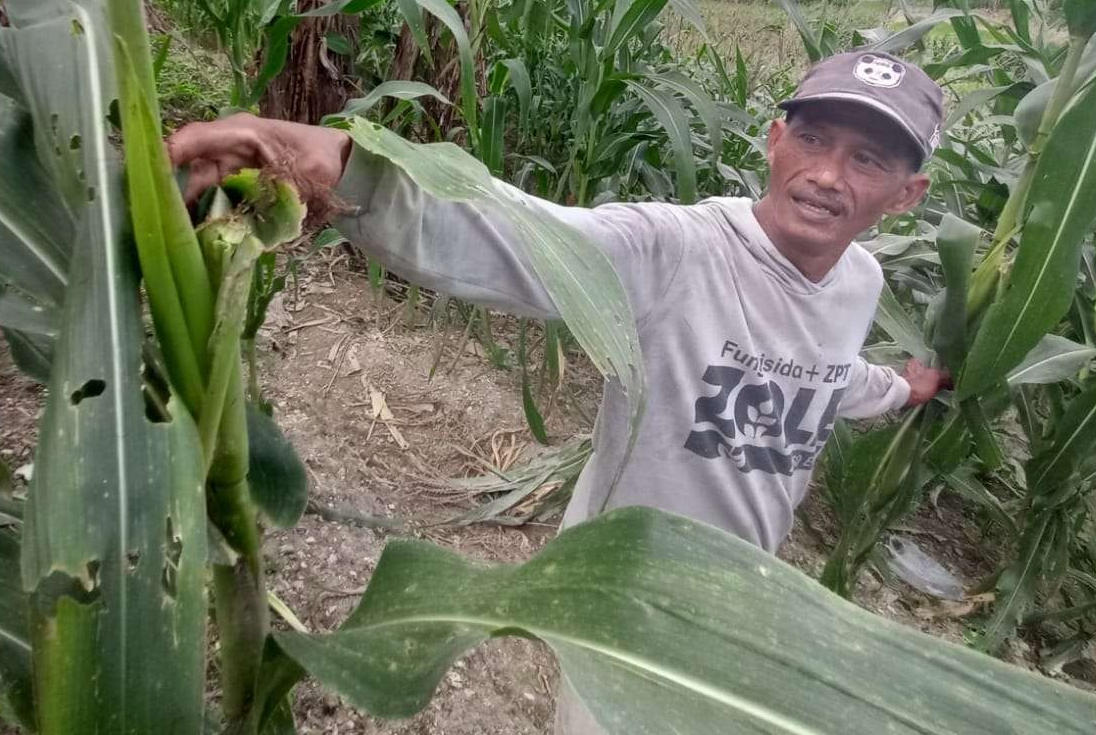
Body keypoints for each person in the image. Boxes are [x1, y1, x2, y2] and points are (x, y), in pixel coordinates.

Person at [169, 48, 951, 735]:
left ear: (906, 195)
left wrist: (899, 390)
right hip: (622, 596)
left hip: (744, 593)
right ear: (776, 141)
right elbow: (521, 238)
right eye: (813, 138)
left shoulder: (860, 282)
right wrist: (349, 167)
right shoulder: (676, 250)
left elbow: (823, 374)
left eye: (867, 160)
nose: (826, 175)